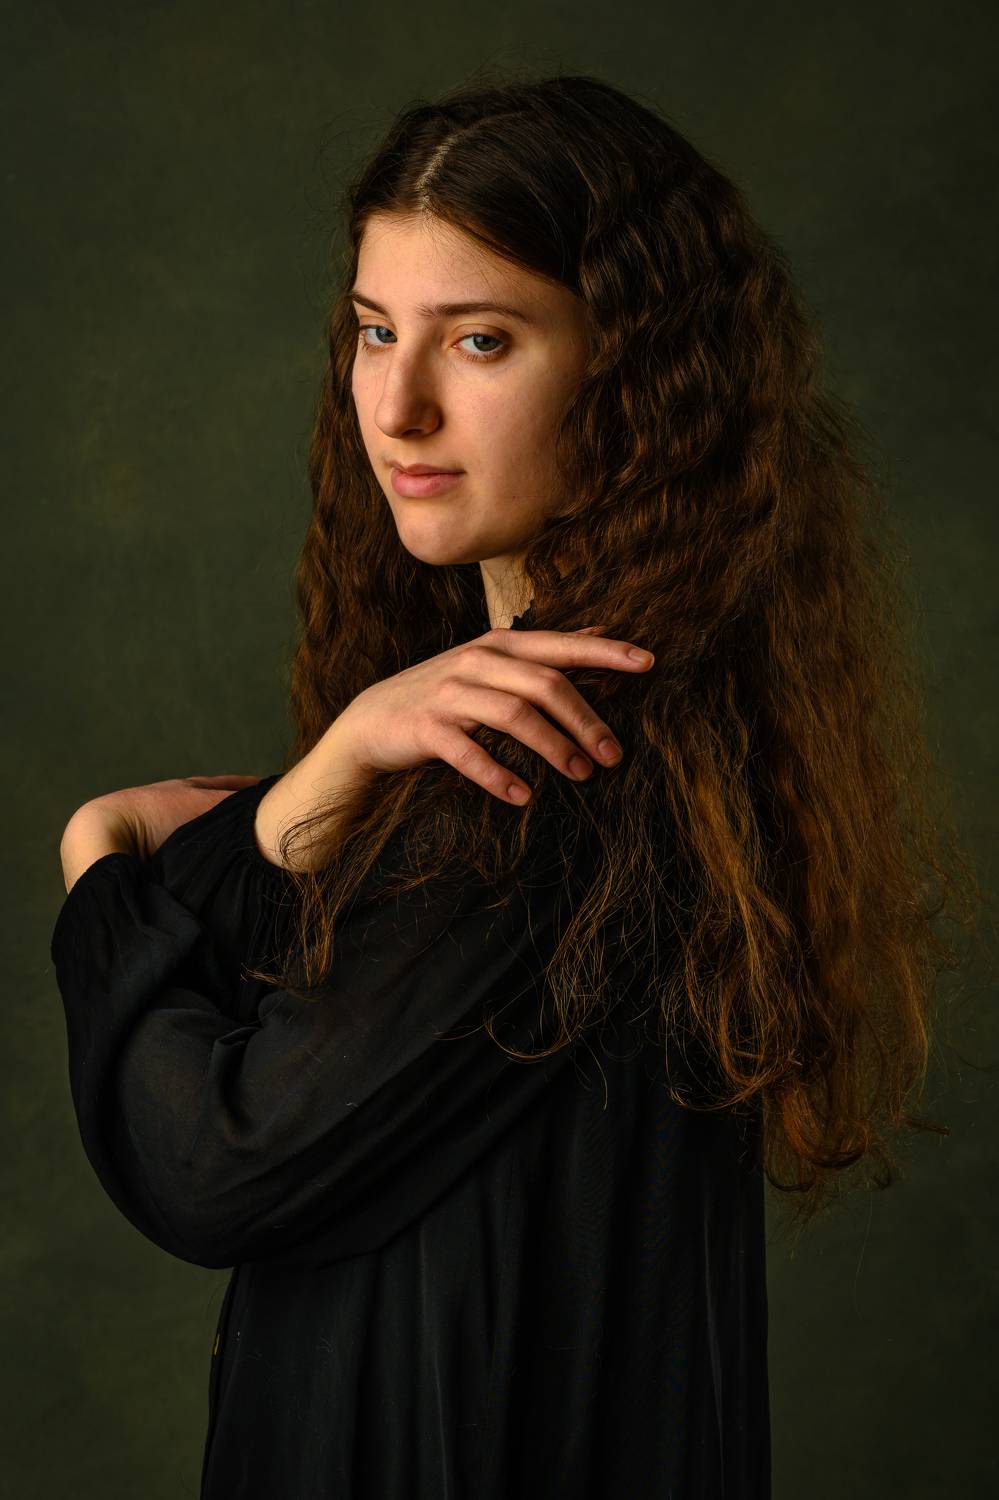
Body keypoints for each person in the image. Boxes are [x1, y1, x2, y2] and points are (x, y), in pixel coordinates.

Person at [51, 73, 979, 1500]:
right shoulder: (516, 709)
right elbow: (250, 966)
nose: (399, 407)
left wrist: (97, 857)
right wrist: (337, 759)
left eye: (480, 340)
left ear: (635, 370)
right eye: (376, 331)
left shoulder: (557, 753)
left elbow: (221, 1159)